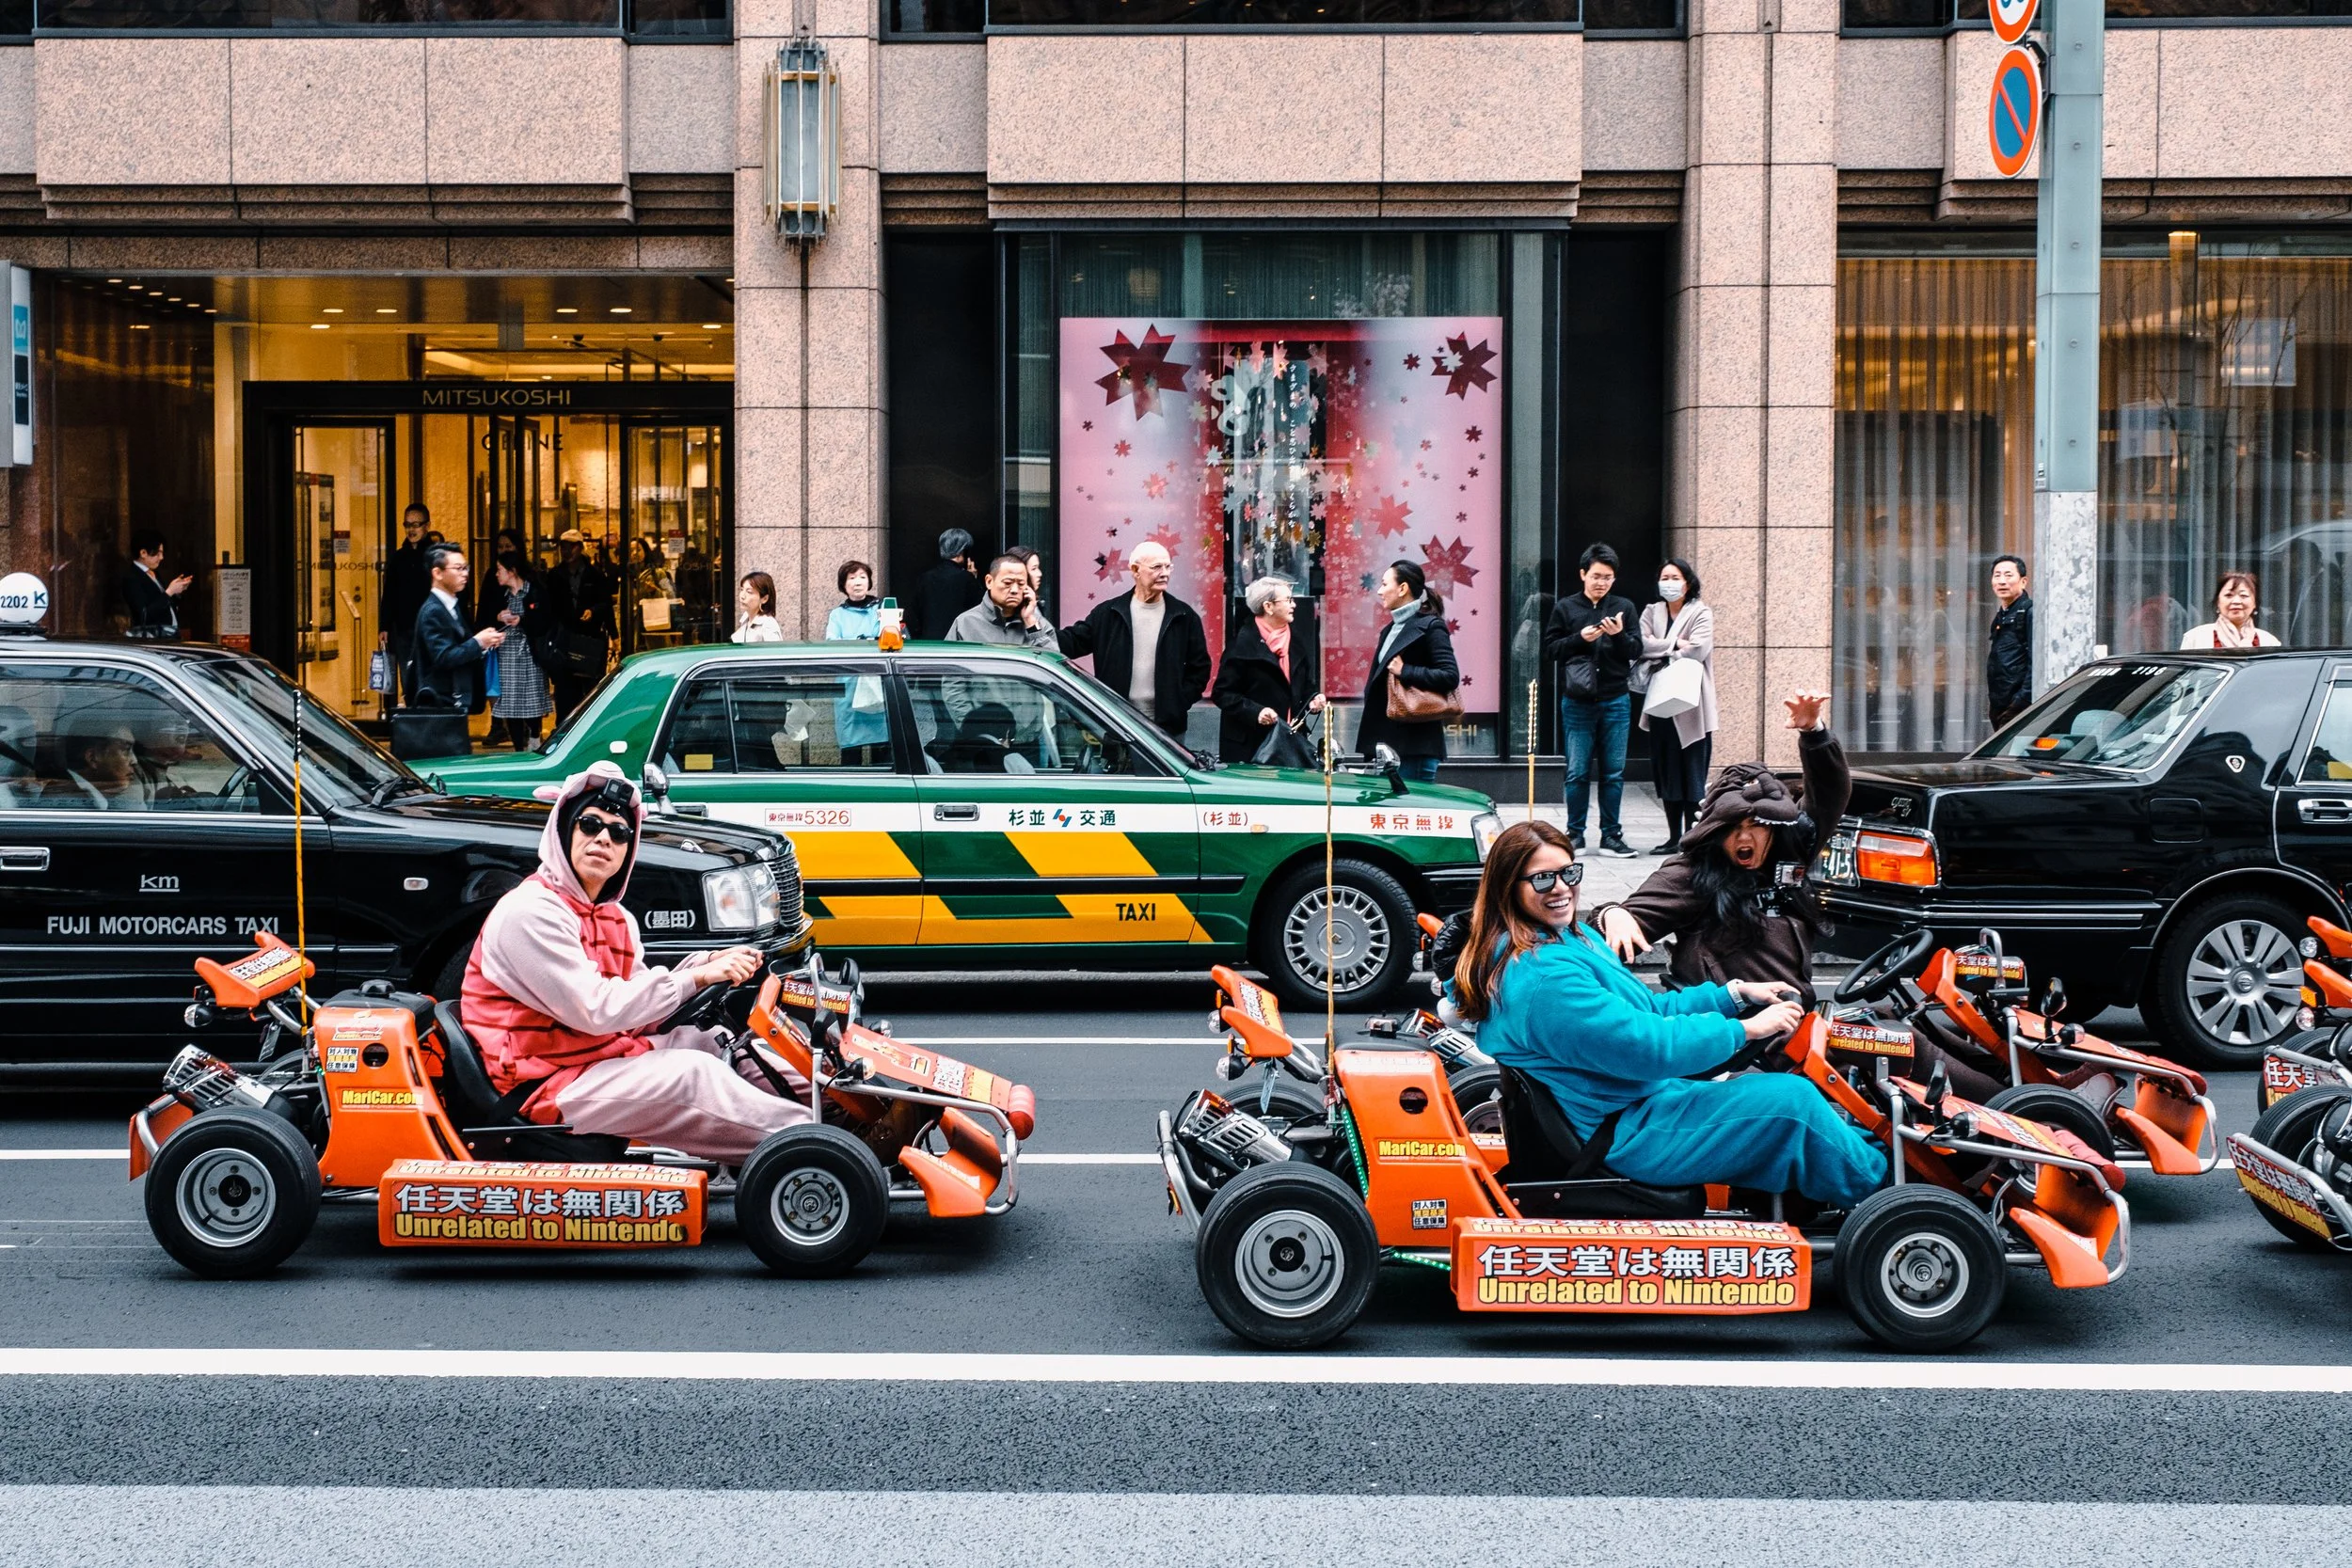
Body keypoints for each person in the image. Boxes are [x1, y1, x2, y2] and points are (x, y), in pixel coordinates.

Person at [1455, 819, 1883, 1209]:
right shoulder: (1545, 979)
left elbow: (1646, 1011)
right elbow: (1648, 1046)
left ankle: (1879, 1162)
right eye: (1542, 878)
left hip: (1635, 1104)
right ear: (1508, 887)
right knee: (1792, 1105)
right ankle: (1892, 1202)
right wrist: (1745, 1029)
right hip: (1621, 1130)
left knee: (1790, 1097)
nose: (1562, 887)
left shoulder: (1569, 937)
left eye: (1569, 872)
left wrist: (1733, 994)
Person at [460, 763, 811, 1164]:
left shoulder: (613, 917)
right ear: (563, 831)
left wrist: (705, 966)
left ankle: (840, 1107)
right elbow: (596, 1009)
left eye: (619, 832)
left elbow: (638, 1008)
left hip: (593, 1058)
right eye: (589, 825)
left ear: (628, 847)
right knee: (690, 1076)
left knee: (714, 1041)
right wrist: (695, 978)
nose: (603, 839)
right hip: (540, 1084)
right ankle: (821, 1146)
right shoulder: (532, 911)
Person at [1544, 544, 1643, 857]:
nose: (1601, 583)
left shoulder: (1624, 607)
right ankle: (1575, 834)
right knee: (1577, 772)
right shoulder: (1566, 607)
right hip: (1577, 701)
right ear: (1583, 574)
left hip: (1616, 699)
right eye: (1596, 576)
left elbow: (1636, 651)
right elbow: (1550, 650)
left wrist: (1617, 635)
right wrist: (1579, 639)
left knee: (1613, 773)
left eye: (1608, 577)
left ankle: (1612, 836)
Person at [1057, 540, 1211, 739]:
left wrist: (1178, 702)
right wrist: (1033, 625)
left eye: (1168, 566)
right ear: (1135, 570)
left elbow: (1200, 668)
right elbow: (1070, 643)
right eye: (1157, 567)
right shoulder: (1108, 614)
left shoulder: (1183, 616)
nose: (1165, 573)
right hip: (1117, 723)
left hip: (1167, 728)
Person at [1634, 558, 1715, 853]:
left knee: (1692, 772)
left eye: (1675, 577)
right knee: (1667, 770)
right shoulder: (1651, 611)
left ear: (1688, 582)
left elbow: (1698, 649)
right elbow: (1640, 644)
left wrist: (1661, 646)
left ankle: (1691, 838)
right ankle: (1672, 837)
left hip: (1692, 705)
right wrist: (1674, 644)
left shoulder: (1701, 612)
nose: (1669, 582)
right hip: (1660, 703)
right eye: (1664, 576)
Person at [1354, 560, 1458, 784]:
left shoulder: (1431, 627)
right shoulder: (1389, 629)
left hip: (1414, 745)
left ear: (1403, 588)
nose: (1380, 591)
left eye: (1384, 584)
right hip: (1387, 743)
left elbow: (1450, 675)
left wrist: (1406, 670)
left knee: (1414, 813)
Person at [1212, 574, 1326, 765]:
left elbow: (1306, 686)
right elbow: (1222, 693)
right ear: (1268, 607)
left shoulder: (1297, 642)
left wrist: (1314, 699)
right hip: (1250, 747)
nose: (1294, 605)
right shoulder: (1241, 645)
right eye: (1288, 600)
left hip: (1290, 743)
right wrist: (1256, 712)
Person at [410, 545, 503, 726]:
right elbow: (443, 657)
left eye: (465, 567)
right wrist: (478, 642)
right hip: (438, 706)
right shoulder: (433, 610)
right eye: (458, 568)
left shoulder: (451, 605)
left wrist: (484, 645)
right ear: (437, 573)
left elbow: (459, 648)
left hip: (452, 703)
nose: (465, 574)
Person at [542, 529, 613, 721]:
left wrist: (594, 612)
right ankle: (564, 727)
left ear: (580, 548)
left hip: (589, 638)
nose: (566, 551)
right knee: (565, 690)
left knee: (591, 687)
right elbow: (549, 607)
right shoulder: (555, 575)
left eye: (571, 547)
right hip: (565, 638)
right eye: (563, 547)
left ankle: (590, 725)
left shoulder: (595, 575)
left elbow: (606, 604)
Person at [824, 562, 890, 764]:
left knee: (883, 750)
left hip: (878, 685)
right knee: (850, 751)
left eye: (862, 577)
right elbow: (832, 644)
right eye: (851, 578)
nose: (857, 582)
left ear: (869, 581)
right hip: (849, 687)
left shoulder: (882, 609)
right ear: (843, 585)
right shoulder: (837, 615)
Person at [488, 551, 553, 752]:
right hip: (507, 654)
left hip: (530, 654)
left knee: (532, 701)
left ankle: (535, 738)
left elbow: (544, 621)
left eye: (500, 570)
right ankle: (518, 748)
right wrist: (499, 618)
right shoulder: (501, 595)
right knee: (510, 704)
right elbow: (486, 617)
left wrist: (521, 620)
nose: (497, 574)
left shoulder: (535, 591)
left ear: (512, 571)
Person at [379, 506, 433, 705]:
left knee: (428, 674)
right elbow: (389, 593)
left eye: (416, 525)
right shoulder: (398, 558)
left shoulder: (434, 556)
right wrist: (384, 625)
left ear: (427, 526)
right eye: (407, 524)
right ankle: (412, 712)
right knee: (406, 674)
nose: (411, 530)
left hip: (429, 628)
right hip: (403, 628)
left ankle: (426, 715)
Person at [948, 554, 1057, 650]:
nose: (1014, 590)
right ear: (989, 581)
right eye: (1008, 583)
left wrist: (1031, 625)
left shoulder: (1037, 623)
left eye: (1020, 584)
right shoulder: (966, 623)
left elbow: (1053, 664)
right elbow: (949, 668)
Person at [43, 714, 149, 810]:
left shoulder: (88, 795)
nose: (134, 761)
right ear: (92, 758)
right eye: (126, 750)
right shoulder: (67, 802)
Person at [910, 528, 985, 641]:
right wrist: (974, 579)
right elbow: (980, 610)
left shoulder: (925, 578)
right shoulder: (967, 579)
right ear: (962, 551)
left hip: (928, 642)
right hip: (958, 642)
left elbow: (914, 615)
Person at [1985, 554, 2033, 727]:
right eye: (1997, 576)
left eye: (2008, 575)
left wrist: (2021, 702)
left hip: (2018, 707)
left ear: (2023, 581)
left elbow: (2036, 663)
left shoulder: (2029, 613)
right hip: (2000, 704)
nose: (2002, 581)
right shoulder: (2001, 615)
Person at [2183, 570, 2282, 649]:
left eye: (2243, 595)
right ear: (2218, 602)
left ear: (2254, 603)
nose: (2236, 601)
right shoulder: (2195, 638)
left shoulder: (2269, 642)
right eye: (2229, 595)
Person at [120, 530, 191, 641]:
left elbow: (162, 603)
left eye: (162, 553)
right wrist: (169, 592)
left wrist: (177, 591)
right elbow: (144, 614)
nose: (161, 557)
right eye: (157, 553)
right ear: (143, 553)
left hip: (169, 635)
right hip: (154, 639)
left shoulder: (154, 572)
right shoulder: (132, 577)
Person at [733, 571, 784, 643]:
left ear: (764, 599)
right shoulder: (745, 619)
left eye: (749, 592)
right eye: (742, 589)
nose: (742, 596)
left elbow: (775, 653)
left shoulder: (768, 625)